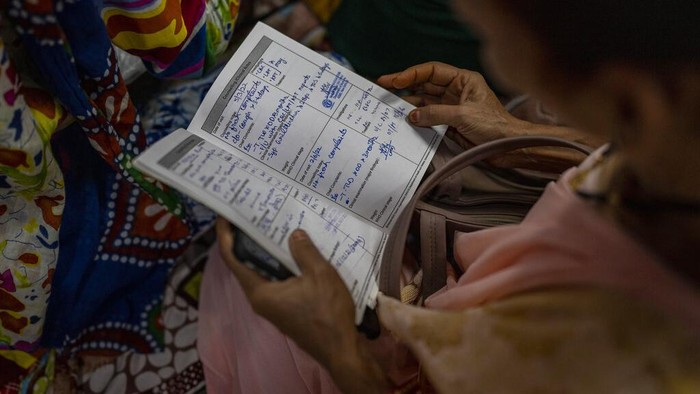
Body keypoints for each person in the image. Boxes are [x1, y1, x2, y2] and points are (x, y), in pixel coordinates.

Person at [197, 0, 700, 392]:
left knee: (253, 308)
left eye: (488, 32)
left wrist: (342, 352)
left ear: (629, 102)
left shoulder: (604, 361)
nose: (486, 47)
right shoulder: (676, 126)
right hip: (494, 244)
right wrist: (516, 138)